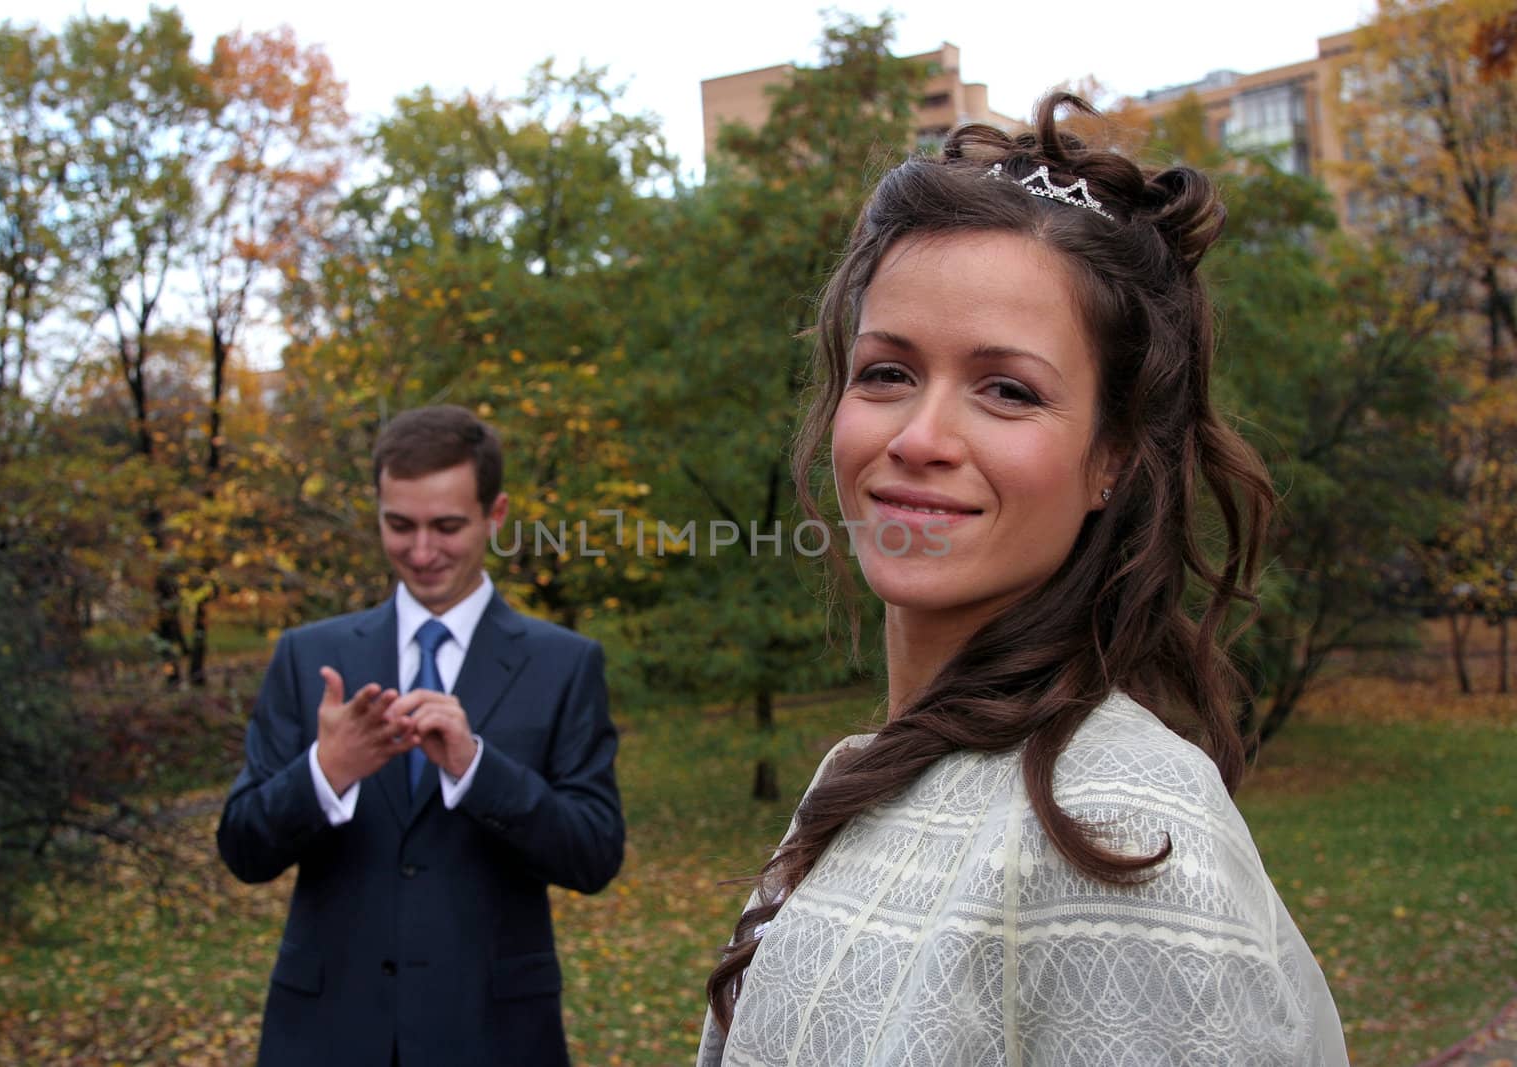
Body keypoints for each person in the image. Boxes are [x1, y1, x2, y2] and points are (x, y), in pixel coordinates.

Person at [698, 94, 1347, 1065]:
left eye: (1007, 389)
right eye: (885, 373)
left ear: (1111, 455)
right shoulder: (859, 775)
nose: (918, 437)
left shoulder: (1120, 829)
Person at [217, 404, 624, 1067]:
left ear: (495, 515)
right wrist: (326, 771)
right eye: (399, 525)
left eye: (447, 526)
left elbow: (594, 855)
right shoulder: (306, 656)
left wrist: (476, 767)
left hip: (492, 1038)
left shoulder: (565, 664)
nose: (422, 550)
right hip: (325, 1036)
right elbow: (242, 848)